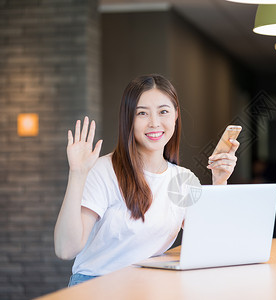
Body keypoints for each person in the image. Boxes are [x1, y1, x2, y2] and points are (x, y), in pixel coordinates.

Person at [54, 74, 240, 287]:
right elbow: (65, 249)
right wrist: (77, 174)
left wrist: (219, 182)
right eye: (142, 113)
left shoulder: (184, 180)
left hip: (149, 286)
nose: (154, 123)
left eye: (163, 112)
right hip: (96, 285)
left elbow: (211, 245)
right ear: (128, 119)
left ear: (175, 116)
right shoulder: (104, 171)